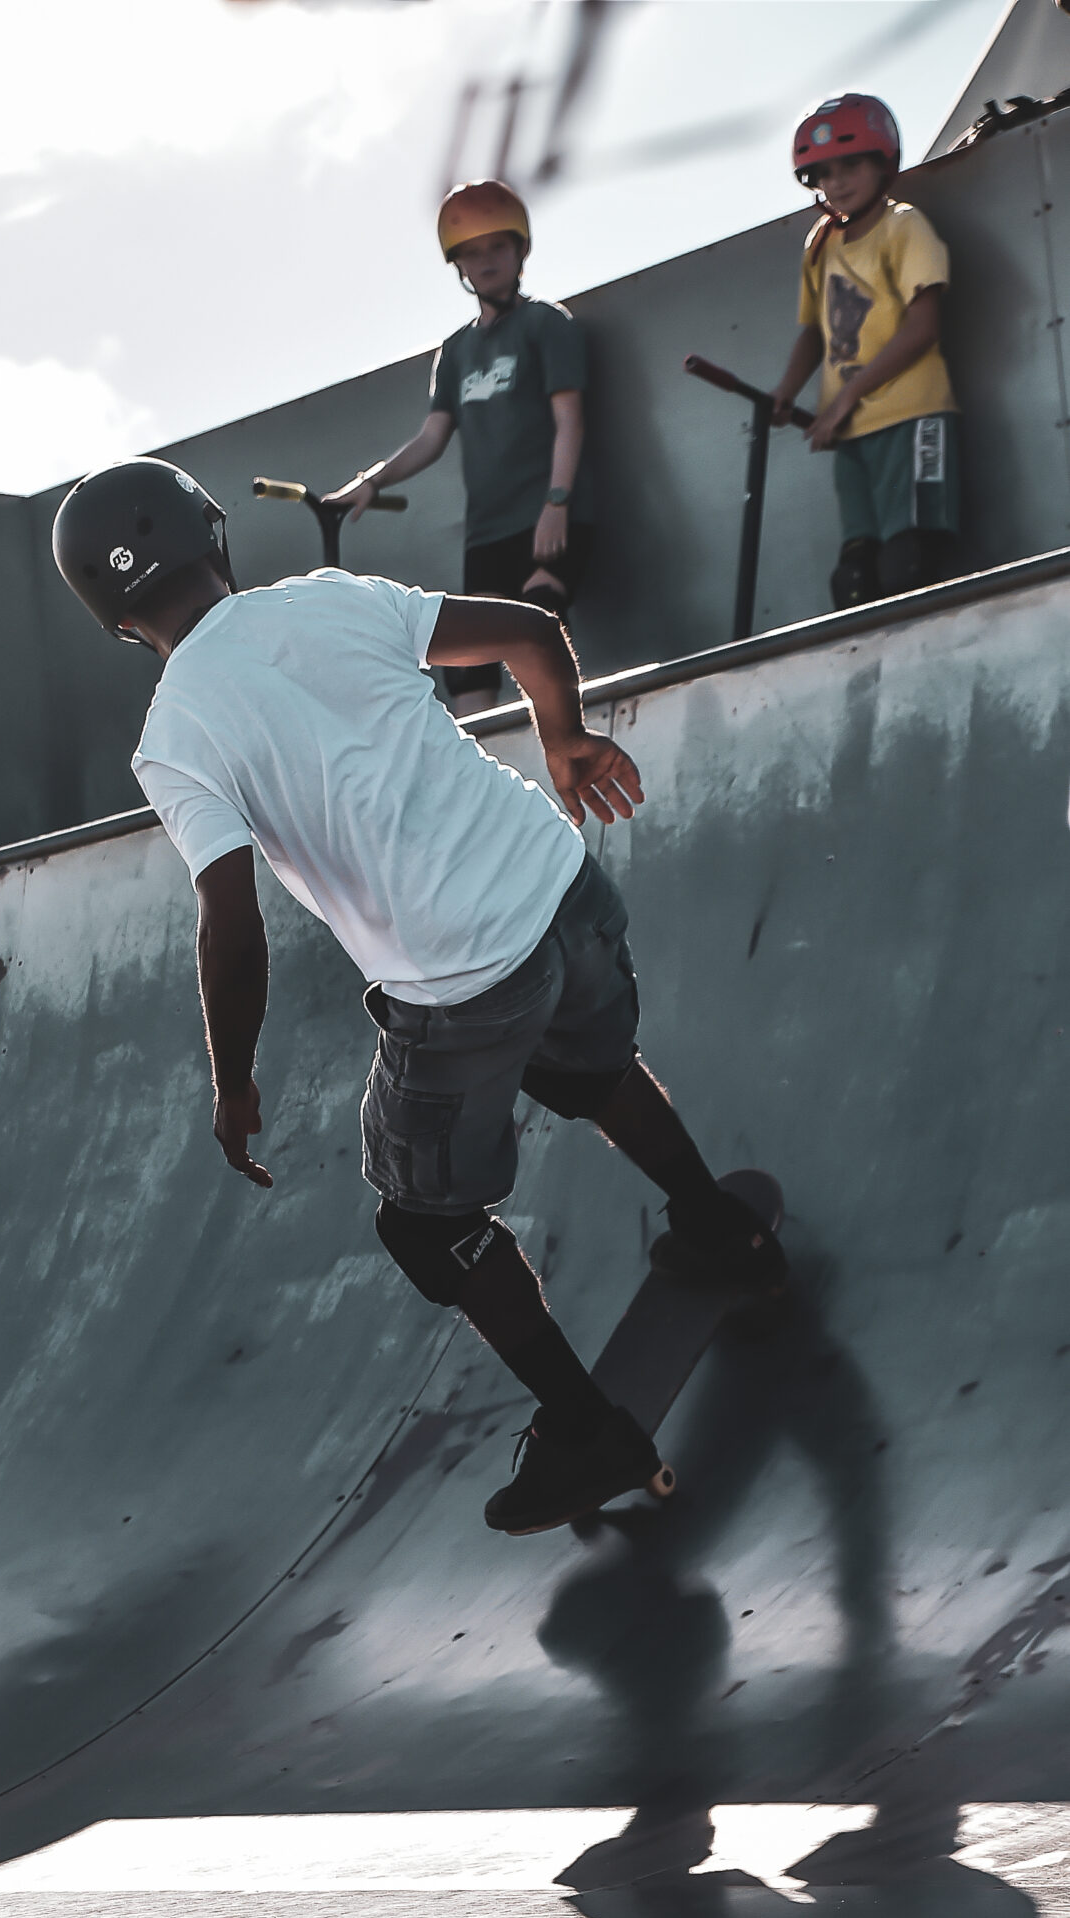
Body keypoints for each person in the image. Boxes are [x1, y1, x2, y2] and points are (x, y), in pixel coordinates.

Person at [51, 459, 787, 1537]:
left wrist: (233, 1080)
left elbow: (231, 924)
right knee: (590, 1068)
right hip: (559, 885)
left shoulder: (174, 741)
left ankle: (587, 1429)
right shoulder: (332, 598)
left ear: (116, 622)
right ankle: (719, 1228)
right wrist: (564, 738)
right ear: (216, 536)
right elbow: (531, 633)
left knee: (424, 1223)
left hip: (457, 982)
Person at [323, 180, 592, 721]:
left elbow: (570, 420)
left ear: (520, 250)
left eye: (497, 246)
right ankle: (487, 756)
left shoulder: (545, 324)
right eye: (472, 251)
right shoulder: (455, 352)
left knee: (541, 619)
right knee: (472, 661)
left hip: (544, 516)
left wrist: (557, 502)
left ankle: (565, 745)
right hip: (487, 533)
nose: (486, 260)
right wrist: (370, 483)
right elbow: (431, 438)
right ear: (458, 266)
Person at [771, 94, 960, 608]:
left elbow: (923, 327)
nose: (837, 183)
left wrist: (845, 398)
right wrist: (786, 390)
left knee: (909, 564)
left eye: (850, 165)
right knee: (855, 579)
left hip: (912, 418)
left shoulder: (905, 226)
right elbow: (815, 331)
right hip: (850, 431)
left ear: (882, 162)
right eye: (824, 173)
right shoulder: (820, 244)